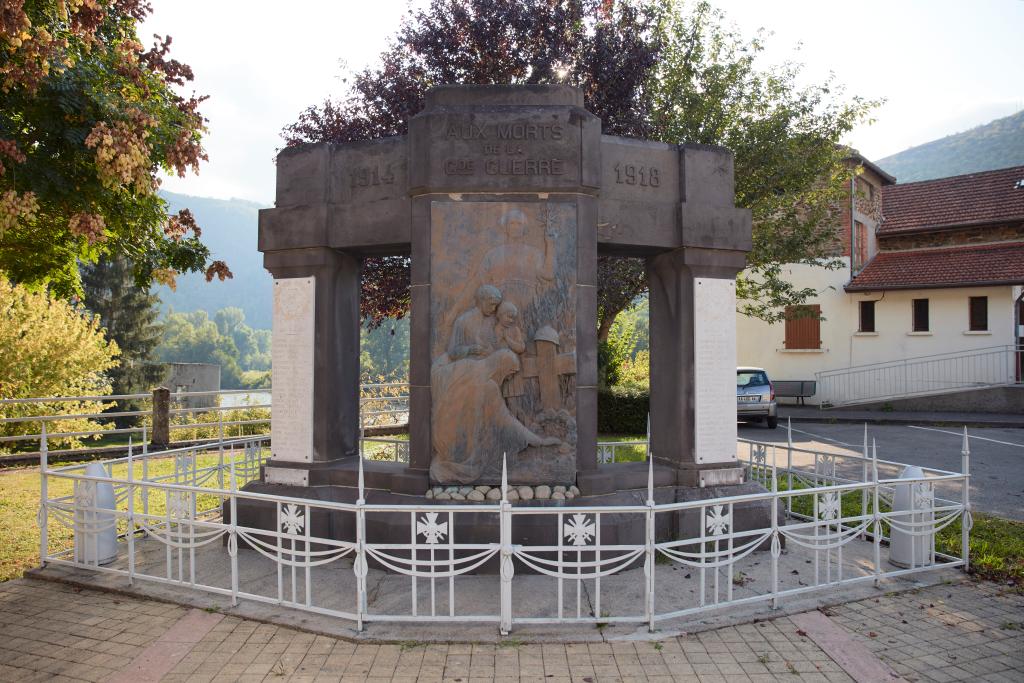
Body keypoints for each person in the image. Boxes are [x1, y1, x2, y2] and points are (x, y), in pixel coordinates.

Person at [430, 349, 560, 484]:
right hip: (459, 447)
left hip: (440, 438)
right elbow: (507, 421)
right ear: (501, 366)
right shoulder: (489, 388)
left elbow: (436, 374)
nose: (510, 378)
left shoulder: (466, 365)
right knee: (494, 435)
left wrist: (448, 354)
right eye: (510, 373)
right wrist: (538, 441)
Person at [447, 284, 501, 361]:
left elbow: (495, 344)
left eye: (496, 306)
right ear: (482, 300)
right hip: (470, 365)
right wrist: (470, 349)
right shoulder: (462, 321)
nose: (493, 309)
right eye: (491, 304)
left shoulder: (492, 321)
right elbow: (452, 352)